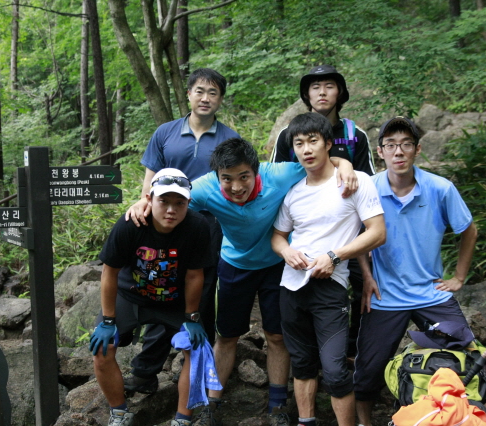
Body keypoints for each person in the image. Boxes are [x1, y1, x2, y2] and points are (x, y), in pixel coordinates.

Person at [127, 137, 357, 426]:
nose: (236, 187)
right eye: (227, 179)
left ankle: (277, 405)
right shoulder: (206, 188)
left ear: (256, 171)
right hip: (235, 264)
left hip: (277, 264)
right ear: (217, 176)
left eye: (244, 177)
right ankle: (212, 404)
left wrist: (345, 164)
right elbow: (170, 200)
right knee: (226, 336)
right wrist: (144, 201)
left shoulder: (278, 175)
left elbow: (320, 162)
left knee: (276, 336)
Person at [353, 117, 478, 426]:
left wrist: (458, 277)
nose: (399, 151)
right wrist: (367, 275)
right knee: (368, 370)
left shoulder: (440, 188)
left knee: (465, 354)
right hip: (386, 295)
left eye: (406, 144)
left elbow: (469, 230)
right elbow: (356, 236)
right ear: (380, 152)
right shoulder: (369, 188)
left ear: (417, 149)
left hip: (431, 292)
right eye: (391, 145)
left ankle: (455, 415)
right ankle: (365, 421)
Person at [124, 68, 240, 394]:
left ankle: (200, 373)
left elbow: (237, 184)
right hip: (167, 223)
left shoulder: (230, 138)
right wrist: (144, 202)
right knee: (163, 290)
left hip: (210, 226)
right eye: (199, 91)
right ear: (188, 94)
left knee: (201, 297)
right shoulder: (166, 133)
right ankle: (145, 372)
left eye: (213, 93)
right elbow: (151, 177)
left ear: (220, 99)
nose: (205, 98)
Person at [271, 113, 386, 426]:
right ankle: (306, 421)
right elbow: (277, 236)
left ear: (328, 144)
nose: (306, 149)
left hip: (331, 287)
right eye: (299, 143)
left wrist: (335, 256)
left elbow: (377, 233)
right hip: (291, 287)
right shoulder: (293, 191)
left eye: (313, 141)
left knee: (335, 370)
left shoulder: (354, 181)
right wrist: (287, 251)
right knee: (302, 364)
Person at [90, 168, 211, 426]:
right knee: (102, 347)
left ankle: (182, 419)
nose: (171, 210)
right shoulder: (130, 225)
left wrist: (192, 317)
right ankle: (119, 413)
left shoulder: (197, 227)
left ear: (188, 203)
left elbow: (194, 275)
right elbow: (109, 272)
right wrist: (108, 320)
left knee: (198, 349)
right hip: (131, 295)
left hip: (174, 301)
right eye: (163, 201)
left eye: (179, 203)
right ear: (149, 198)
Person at [271, 64, 375, 357]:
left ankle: (352, 352)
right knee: (299, 293)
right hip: (303, 226)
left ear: (340, 92)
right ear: (306, 94)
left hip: (350, 231)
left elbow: (370, 183)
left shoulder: (354, 134)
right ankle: (309, 356)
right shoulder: (290, 133)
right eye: (315, 87)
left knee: (360, 287)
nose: (322, 92)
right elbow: (277, 178)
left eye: (329, 86)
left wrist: (345, 163)